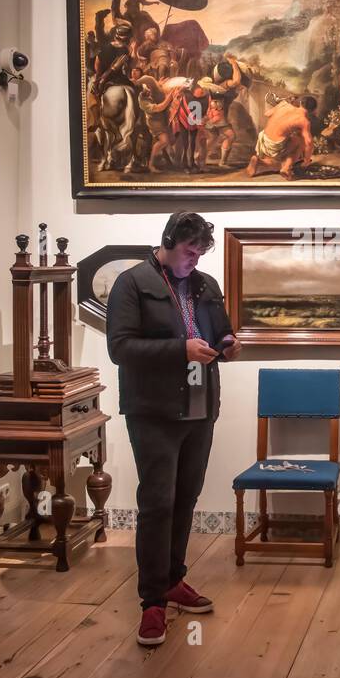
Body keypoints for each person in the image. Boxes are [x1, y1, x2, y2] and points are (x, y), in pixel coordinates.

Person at [106, 212, 242, 646]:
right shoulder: (132, 283)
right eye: (189, 251)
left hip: (201, 410)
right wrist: (179, 349)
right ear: (168, 241)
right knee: (157, 502)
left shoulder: (206, 285)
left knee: (186, 499)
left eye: (201, 253)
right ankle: (151, 603)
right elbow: (120, 348)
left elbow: (220, 334)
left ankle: (172, 580)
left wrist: (228, 346)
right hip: (154, 412)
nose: (194, 260)